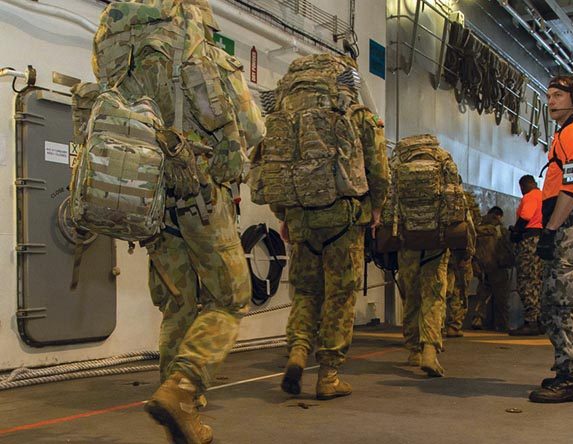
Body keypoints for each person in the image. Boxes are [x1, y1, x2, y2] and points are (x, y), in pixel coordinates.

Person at [92, 1, 265, 442]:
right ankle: (183, 390)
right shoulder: (194, 44)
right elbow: (250, 127)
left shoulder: (111, 45)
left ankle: (179, 405)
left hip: (147, 191)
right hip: (197, 189)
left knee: (179, 302)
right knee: (230, 298)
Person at [271, 54, 390, 400]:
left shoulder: (286, 114)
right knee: (339, 295)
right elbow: (378, 169)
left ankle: (297, 352)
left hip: (300, 217)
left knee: (306, 292)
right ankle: (328, 376)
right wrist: (377, 209)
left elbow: (275, 165)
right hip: (343, 218)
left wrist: (284, 215)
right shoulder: (356, 114)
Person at [528, 76, 573, 404]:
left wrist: (551, 229)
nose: (551, 101)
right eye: (549, 95)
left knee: (559, 302)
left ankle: (568, 376)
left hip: (570, 227)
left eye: (558, 95)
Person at [394, 134, 466, 377]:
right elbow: (457, 200)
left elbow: (388, 200)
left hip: (407, 240)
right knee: (434, 296)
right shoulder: (443, 158)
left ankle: (413, 349)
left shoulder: (399, 160)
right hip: (436, 240)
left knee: (411, 295)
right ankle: (429, 350)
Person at [509, 175, 545, 336]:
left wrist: (516, 232)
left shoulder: (531, 196)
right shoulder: (544, 195)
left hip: (529, 241)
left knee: (527, 281)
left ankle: (530, 322)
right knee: (538, 281)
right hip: (541, 240)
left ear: (525, 185)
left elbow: (526, 217)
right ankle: (539, 320)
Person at [471, 206, 514, 330]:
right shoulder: (500, 229)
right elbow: (508, 247)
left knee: (482, 295)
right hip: (498, 267)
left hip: (482, 266)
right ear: (499, 215)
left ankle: (477, 319)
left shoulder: (477, 228)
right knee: (501, 297)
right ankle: (501, 324)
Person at [444, 191, 477, 337]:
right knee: (460, 288)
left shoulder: (438, 195)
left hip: (441, 251)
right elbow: (471, 228)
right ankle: (454, 325)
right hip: (460, 252)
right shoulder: (465, 199)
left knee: (442, 288)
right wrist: (469, 253)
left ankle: (437, 325)